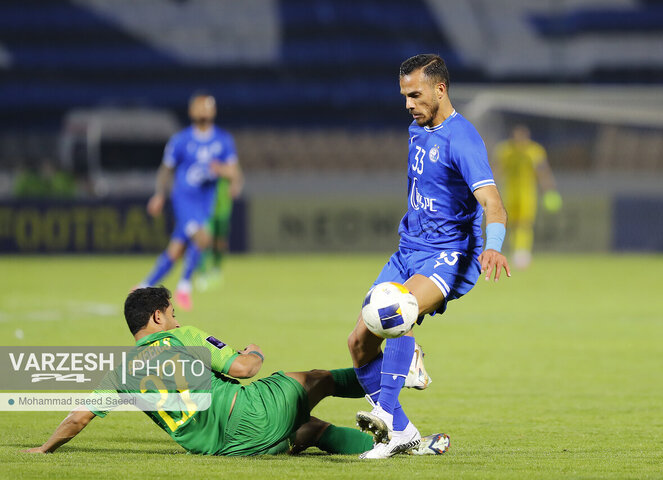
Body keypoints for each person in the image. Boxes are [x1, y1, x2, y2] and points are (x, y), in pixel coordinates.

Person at [23, 287, 447, 456]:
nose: (175, 318)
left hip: (228, 448)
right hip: (249, 412)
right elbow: (244, 370)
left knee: (312, 429)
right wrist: (255, 352)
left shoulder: (118, 373)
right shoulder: (182, 337)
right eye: (170, 313)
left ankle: (404, 446)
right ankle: (398, 371)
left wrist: (43, 450)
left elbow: (78, 418)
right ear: (156, 318)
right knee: (316, 379)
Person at [347, 54, 511, 459]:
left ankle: (384, 416)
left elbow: (493, 202)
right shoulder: (417, 129)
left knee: (396, 315)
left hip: (446, 254)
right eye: (404, 96)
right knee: (358, 344)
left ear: (440, 89)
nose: (408, 104)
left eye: (415, 95)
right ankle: (403, 431)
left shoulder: (463, 139)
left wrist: (493, 246)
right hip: (408, 250)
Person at [137, 93, 242, 310]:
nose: (203, 110)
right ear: (192, 111)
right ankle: (184, 287)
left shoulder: (223, 140)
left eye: (207, 106)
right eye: (200, 106)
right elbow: (166, 170)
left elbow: (234, 172)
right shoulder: (181, 140)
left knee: (176, 250)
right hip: (184, 198)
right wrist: (159, 194)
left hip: (206, 202)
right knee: (203, 238)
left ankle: (143, 286)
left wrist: (226, 175)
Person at [493, 124, 561, 269]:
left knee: (525, 223)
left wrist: (549, 189)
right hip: (509, 193)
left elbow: (543, 172)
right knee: (511, 224)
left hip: (527, 194)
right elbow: (497, 170)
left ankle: (522, 253)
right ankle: (516, 251)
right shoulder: (505, 151)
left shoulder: (534, 151)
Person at [195, 173, 242, 291]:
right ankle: (202, 273)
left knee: (220, 241)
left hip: (223, 207)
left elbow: (236, 174)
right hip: (206, 208)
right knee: (204, 240)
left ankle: (216, 269)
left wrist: (235, 185)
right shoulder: (203, 161)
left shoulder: (225, 160)